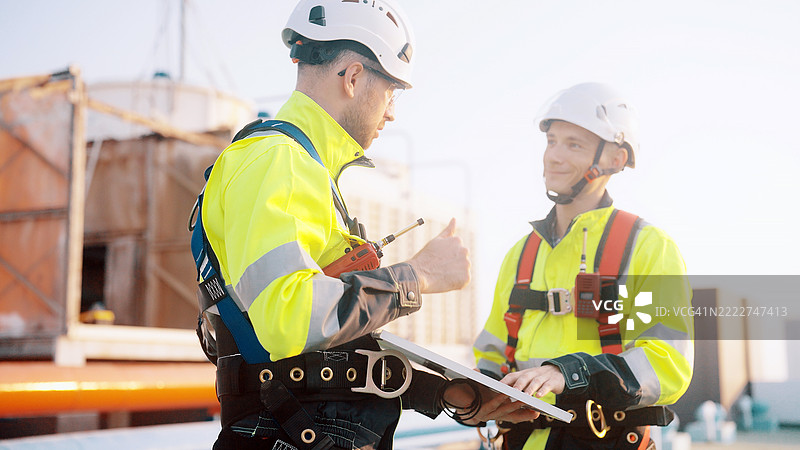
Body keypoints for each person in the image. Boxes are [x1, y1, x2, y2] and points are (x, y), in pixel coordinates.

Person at [193, 1, 474, 448]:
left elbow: (325, 352)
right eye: (391, 92)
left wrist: (441, 389)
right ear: (355, 77)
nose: (392, 112)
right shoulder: (280, 161)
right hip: (290, 431)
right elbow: (290, 320)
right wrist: (418, 276)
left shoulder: (298, 167)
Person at [471, 83, 694, 449]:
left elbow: (668, 364)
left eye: (574, 144)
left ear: (616, 160)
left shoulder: (649, 247)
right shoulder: (519, 255)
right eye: (552, 141)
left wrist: (569, 372)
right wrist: (472, 392)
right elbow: (493, 353)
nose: (554, 156)